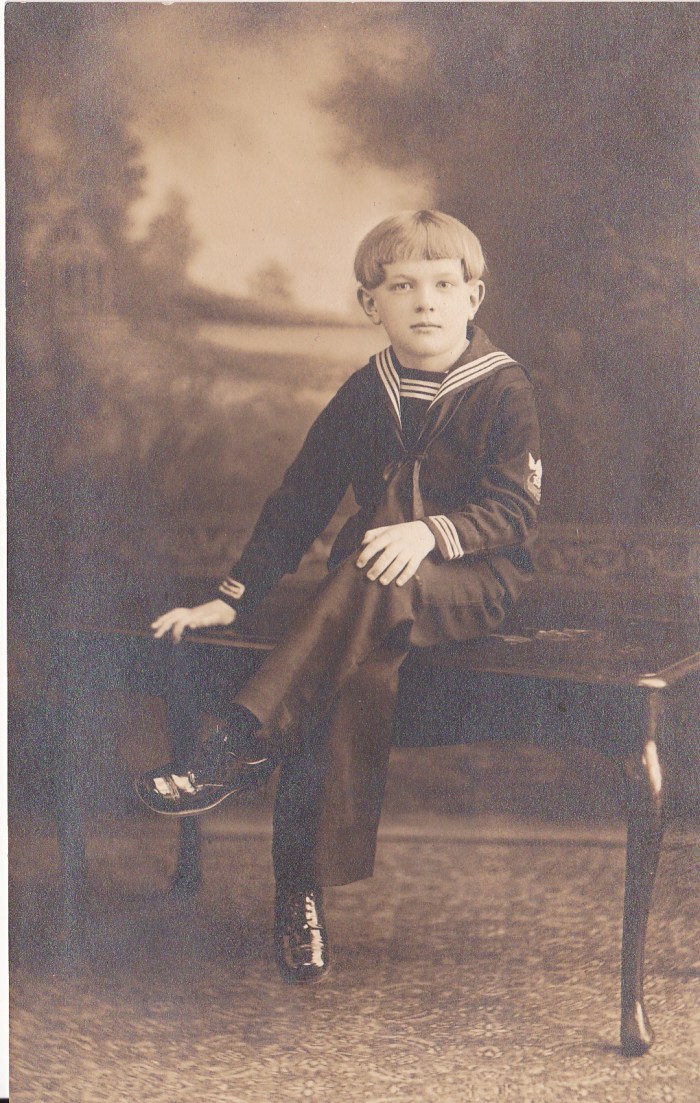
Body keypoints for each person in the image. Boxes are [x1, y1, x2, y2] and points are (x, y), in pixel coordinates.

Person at [135, 209, 542, 984]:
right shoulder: (368, 390)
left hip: (473, 579)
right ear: (370, 304)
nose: (425, 301)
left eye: (443, 284)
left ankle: (236, 743)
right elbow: (301, 496)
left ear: (474, 296)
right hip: (371, 592)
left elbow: (516, 510)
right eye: (402, 285)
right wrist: (234, 596)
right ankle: (299, 894)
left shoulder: (502, 388)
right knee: (339, 675)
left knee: (365, 568)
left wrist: (431, 533)